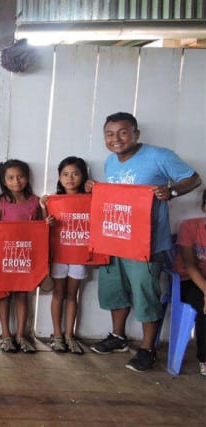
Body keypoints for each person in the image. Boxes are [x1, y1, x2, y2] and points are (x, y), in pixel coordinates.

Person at [86, 112, 201, 372]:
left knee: (145, 293)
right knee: (115, 290)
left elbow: (194, 178)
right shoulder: (110, 162)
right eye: (110, 134)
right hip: (115, 239)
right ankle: (118, 337)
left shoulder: (159, 156)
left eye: (123, 132)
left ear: (136, 134)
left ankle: (148, 349)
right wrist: (98, 190)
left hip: (147, 244)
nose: (116, 139)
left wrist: (171, 192)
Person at [0, 159, 46, 354]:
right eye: (11, 178)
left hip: (26, 257)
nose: (16, 181)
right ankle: (6, 334)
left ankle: (21, 335)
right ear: (4, 181)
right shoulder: (0, 203)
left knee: (23, 296)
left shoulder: (35, 202)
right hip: (5, 257)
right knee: (4, 295)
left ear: (27, 177)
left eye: (20, 176)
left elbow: (41, 230)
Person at [40, 156, 90, 354]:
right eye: (65, 174)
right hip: (59, 255)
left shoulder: (90, 199)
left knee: (72, 295)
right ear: (59, 177)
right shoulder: (52, 200)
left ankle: (69, 335)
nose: (70, 178)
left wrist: (95, 191)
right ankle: (57, 335)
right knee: (58, 294)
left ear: (83, 176)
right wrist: (45, 211)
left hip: (79, 255)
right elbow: (43, 228)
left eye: (75, 174)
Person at [176, 190, 206, 376]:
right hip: (190, 280)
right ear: (203, 207)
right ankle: (204, 359)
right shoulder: (190, 227)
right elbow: (190, 265)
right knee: (204, 308)